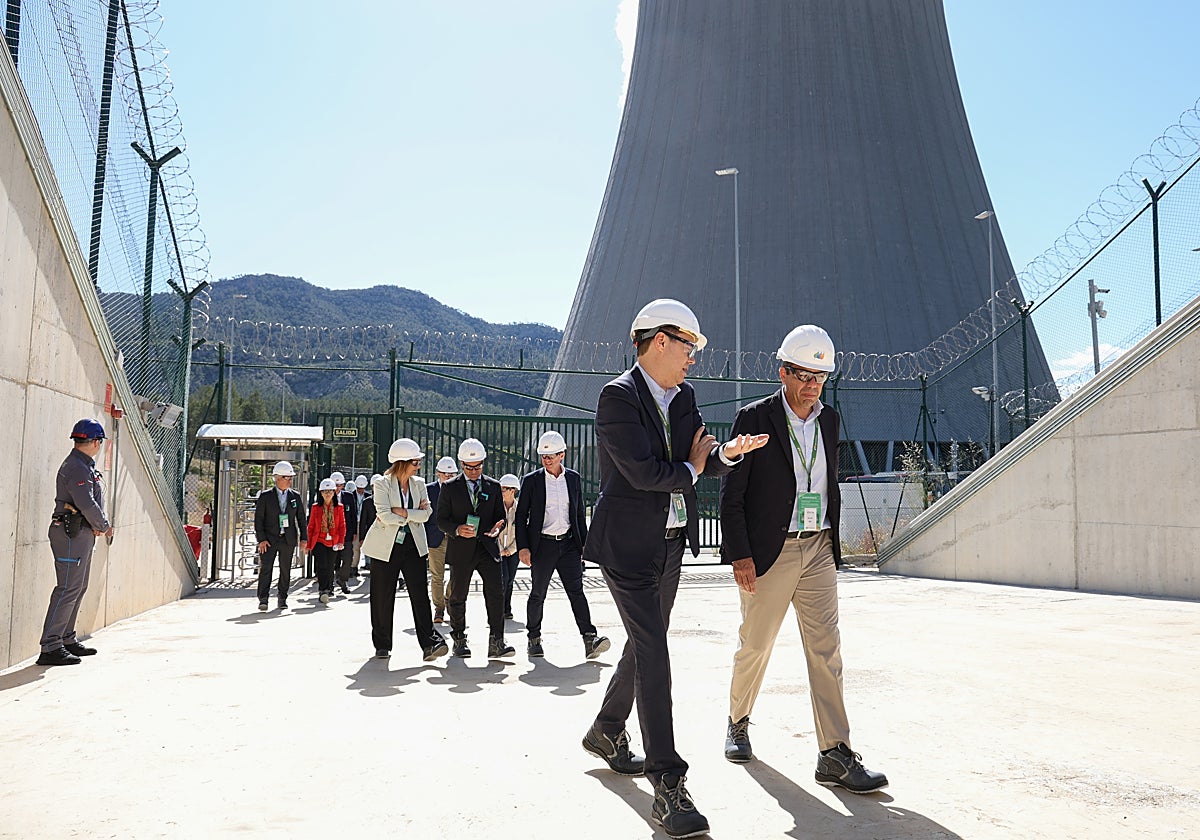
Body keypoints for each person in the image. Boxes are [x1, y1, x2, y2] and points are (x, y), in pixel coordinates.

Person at [581, 299, 768, 839]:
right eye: (688, 347)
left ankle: (607, 729)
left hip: (668, 544)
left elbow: (702, 447)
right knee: (656, 651)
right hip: (628, 548)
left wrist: (727, 452)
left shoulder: (682, 396)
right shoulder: (616, 397)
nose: (693, 359)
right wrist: (693, 465)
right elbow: (642, 472)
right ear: (659, 341)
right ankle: (668, 782)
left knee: (644, 642)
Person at [719, 325, 887, 793]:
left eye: (821, 376)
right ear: (784, 372)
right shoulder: (754, 418)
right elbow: (731, 496)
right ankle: (737, 722)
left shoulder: (828, 420)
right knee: (756, 643)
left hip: (817, 546)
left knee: (826, 649)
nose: (813, 384)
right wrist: (741, 556)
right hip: (770, 551)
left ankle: (834, 751)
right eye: (805, 374)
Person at [516, 431, 609, 660]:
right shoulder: (531, 481)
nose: (547, 459)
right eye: (543, 455)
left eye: (551, 455)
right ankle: (534, 638)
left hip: (568, 545)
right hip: (543, 546)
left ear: (562, 455)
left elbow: (578, 515)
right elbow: (520, 517)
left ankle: (590, 638)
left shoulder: (573, 479)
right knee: (538, 593)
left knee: (577, 592)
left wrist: (584, 546)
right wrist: (524, 547)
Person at [360, 438, 448, 661]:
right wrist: (410, 515)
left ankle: (429, 643)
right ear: (402, 462)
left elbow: (427, 514)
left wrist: (403, 513)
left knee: (419, 595)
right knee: (382, 596)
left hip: (413, 546)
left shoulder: (419, 484)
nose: (418, 466)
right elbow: (384, 515)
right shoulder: (381, 483)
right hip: (385, 547)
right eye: (415, 462)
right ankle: (382, 645)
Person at [38, 419, 114, 666]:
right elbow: (86, 502)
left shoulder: (83, 465)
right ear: (95, 442)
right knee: (68, 588)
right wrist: (103, 525)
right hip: (71, 534)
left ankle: (66, 639)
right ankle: (50, 646)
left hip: (80, 533)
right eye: (99, 442)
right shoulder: (77, 467)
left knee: (78, 587)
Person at [435, 438, 514, 659]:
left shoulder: (493, 486)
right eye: (469, 467)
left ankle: (497, 641)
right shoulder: (450, 488)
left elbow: (501, 517)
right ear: (461, 464)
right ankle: (459, 639)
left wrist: (498, 528)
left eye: (478, 467)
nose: (474, 471)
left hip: (487, 548)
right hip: (461, 549)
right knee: (458, 595)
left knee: (496, 594)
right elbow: (441, 520)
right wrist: (458, 529)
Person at [254, 460, 307, 612]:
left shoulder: (295, 497)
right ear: (277, 478)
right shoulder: (265, 497)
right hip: (269, 540)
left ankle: (282, 597)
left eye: (291, 478)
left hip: (288, 539)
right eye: (286, 477)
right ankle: (263, 598)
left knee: (285, 570)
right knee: (266, 569)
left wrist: (304, 538)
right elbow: (259, 520)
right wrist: (261, 539)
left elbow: (301, 519)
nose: (289, 480)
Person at [425, 456, 457, 622]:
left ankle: (448, 598)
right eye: (445, 473)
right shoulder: (428, 490)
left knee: (456, 574)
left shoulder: (460, 489)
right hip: (435, 538)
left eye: (451, 474)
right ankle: (439, 609)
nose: (448, 476)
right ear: (438, 473)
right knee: (437, 576)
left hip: (454, 538)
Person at [307, 478, 346, 605]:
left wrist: (340, 541)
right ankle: (323, 590)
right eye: (325, 491)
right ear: (321, 493)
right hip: (319, 540)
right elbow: (311, 526)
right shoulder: (315, 507)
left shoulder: (339, 507)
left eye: (330, 491)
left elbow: (342, 526)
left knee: (330, 566)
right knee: (321, 565)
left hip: (333, 541)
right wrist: (308, 545)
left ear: (334, 492)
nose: (327, 494)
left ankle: (329, 588)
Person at [497, 473, 521, 620]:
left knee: (510, 579)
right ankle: (498, 608)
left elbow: (522, 532)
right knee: (502, 579)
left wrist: (511, 549)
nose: (501, 492)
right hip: (498, 549)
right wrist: (500, 549)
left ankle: (507, 608)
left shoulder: (520, 509)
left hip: (514, 550)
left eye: (504, 489)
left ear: (513, 490)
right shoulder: (496, 507)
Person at [331, 471, 358, 594]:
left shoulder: (348, 497)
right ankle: (329, 584)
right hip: (330, 535)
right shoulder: (325, 496)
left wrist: (354, 532)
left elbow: (353, 514)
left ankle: (343, 580)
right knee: (332, 559)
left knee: (348, 558)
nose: (337, 488)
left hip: (346, 534)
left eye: (339, 485)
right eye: (335, 485)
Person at [358, 473, 382, 572]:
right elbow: (363, 521)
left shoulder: (389, 500)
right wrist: (362, 538)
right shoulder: (367, 502)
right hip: (371, 532)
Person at [348, 475, 369, 578]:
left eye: (362, 488)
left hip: (365, 524)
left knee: (366, 546)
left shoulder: (368, 497)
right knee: (355, 547)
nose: (361, 490)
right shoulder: (351, 496)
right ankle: (353, 567)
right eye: (359, 488)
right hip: (355, 523)